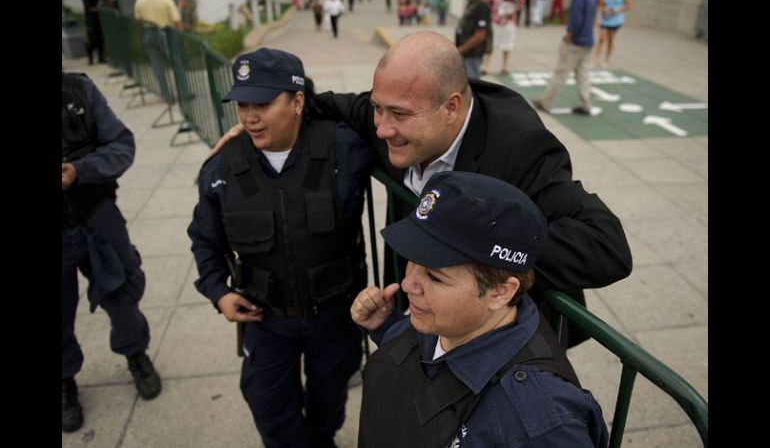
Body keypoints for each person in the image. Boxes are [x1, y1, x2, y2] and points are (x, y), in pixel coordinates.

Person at [211, 30, 633, 348]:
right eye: (378, 108)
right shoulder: (392, 118)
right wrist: (264, 121)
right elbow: (337, 103)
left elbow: (607, 247)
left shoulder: (519, 147)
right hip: (422, 321)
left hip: (497, 343)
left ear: (451, 107)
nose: (381, 127)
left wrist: (476, 242)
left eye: (397, 113)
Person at [187, 48, 376, 448]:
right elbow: (204, 240)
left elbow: (392, 119)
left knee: (330, 402)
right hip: (266, 320)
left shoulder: (346, 148)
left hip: (334, 317)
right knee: (270, 408)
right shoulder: (222, 168)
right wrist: (218, 292)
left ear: (297, 102)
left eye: (263, 103)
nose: (250, 117)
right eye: (242, 104)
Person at [351, 171, 610, 447]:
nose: (407, 283)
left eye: (435, 277)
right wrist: (384, 326)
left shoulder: (541, 422)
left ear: (499, 292)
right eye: (412, 261)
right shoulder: (450, 320)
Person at [62, 72, 162, 433]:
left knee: (122, 292)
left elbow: (122, 146)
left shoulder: (78, 88)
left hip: (96, 215)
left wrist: (78, 171)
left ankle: (135, 354)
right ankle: (64, 382)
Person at [532, 0, 597, 116]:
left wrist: (569, 35)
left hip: (575, 42)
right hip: (588, 40)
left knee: (561, 71)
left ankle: (546, 101)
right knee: (583, 73)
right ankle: (585, 103)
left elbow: (576, 19)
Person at [133, 0, 182, 100]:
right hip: (165, 34)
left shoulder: (139, 1)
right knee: (176, 63)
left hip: (148, 34)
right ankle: (183, 93)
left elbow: (138, 22)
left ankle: (166, 95)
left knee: (157, 66)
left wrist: (140, 37)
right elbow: (176, 21)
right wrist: (180, 35)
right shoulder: (166, 0)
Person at [485, 0, 524, 75]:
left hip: (508, 21)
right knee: (491, 44)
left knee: (507, 45)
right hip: (495, 21)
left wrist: (513, 11)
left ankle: (504, 67)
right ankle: (486, 67)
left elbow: (521, 2)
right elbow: (489, 2)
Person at [456, 0, 491, 79]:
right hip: (466, 56)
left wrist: (460, 50)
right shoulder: (472, 4)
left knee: (472, 89)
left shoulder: (481, 6)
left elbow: (480, 35)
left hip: (471, 57)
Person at [592, 0, 632, 68]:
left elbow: (629, 6)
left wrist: (618, 10)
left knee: (610, 39)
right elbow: (602, 4)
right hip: (606, 18)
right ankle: (595, 59)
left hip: (615, 20)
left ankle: (606, 59)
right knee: (601, 38)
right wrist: (604, 9)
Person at [81, 0, 107, 65]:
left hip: (98, 20)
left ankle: (101, 57)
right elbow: (90, 8)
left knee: (100, 39)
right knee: (92, 40)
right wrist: (98, 9)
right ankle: (90, 57)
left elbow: (105, 0)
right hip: (90, 21)